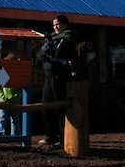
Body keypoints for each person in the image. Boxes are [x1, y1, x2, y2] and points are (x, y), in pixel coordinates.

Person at [38, 14, 79, 148]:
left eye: (58, 24)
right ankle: (51, 136)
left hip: (60, 77)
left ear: (65, 25)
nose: (56, 27)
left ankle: (63, 139)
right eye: (54, 24)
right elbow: (40, 55)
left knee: (60, 108)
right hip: (48, 76)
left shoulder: (67, 38)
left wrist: (50, 56)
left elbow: (56, 54)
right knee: (45, 106)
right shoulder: (51, 38)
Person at [0, 53, 23, 137]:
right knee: (3, 117)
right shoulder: (3, 73)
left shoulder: (15, 75)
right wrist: (4, 97)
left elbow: (20, 88)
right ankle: (0, 133)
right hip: (6, 99)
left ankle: (15, 133)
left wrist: (15, 96)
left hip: (12, 99)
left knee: (14, 118)